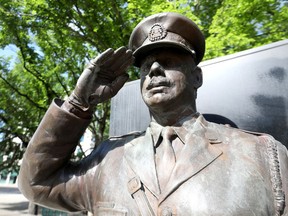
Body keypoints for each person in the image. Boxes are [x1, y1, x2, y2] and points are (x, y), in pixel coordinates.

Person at [18, 12, 288, 216]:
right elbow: (36, 183)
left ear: (196, 77)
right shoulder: (107, 158)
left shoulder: (261, 153)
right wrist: (78, 103)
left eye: (169, 62)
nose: (155, 70)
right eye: (146, 66)